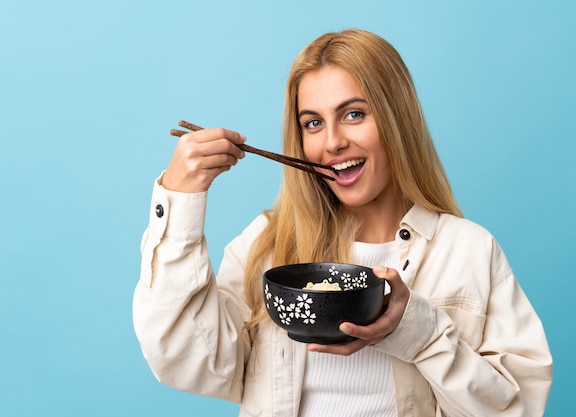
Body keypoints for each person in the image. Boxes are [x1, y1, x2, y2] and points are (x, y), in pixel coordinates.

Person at [132, 29, 553, 416]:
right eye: (313, 123)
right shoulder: (268, 245)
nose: (332, 142)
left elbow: (517, 408)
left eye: (353, 114)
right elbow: (187, 363)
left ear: (396, 118)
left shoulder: (469, 250)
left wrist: (417, 331)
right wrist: (180, 202)